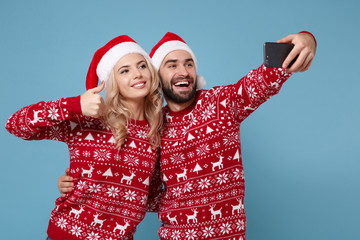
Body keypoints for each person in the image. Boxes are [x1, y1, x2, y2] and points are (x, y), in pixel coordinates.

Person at [59, 31, 317, 239]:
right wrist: (84, 182)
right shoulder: (153, 127)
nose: (183, 71)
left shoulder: (222, 103)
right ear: (157, 78)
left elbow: (263, 80)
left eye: (189, 64)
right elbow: (143, 191)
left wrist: (306, 39)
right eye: (172, 65)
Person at [6, 35, 163, 240]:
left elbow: (149, 199)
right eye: (124, 70)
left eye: (142, 66)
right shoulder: (90, 120)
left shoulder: (157, 133)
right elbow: (16, 125)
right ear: (112, 80)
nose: (137, 74)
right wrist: (74, 105)